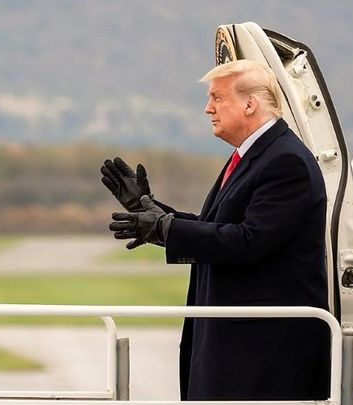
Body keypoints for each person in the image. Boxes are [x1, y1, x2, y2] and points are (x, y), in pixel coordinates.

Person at [101, 60, 330, 401]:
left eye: (217, 98)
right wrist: (151, 211)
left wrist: (166, 230)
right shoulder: (256, 155)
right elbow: (218, 230)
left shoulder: (286, 162)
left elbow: (247, 242)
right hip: (238, 353)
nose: (208, 108)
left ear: (249, 104)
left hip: (262, 361)